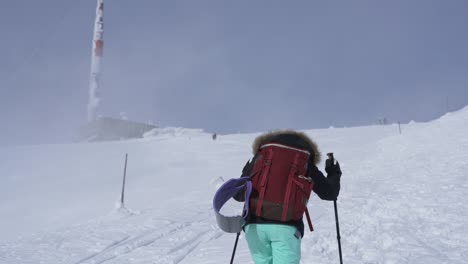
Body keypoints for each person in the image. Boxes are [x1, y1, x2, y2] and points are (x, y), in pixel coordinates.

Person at [237, 130, 342, 264]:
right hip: (285, 228)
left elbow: (239, 194)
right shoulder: (303, 160)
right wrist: (334, 173)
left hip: (254, 229)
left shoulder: (260, 157)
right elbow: (330, 193)